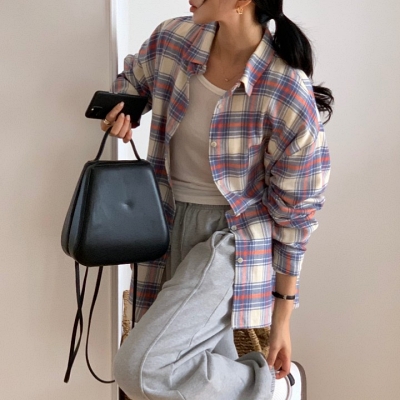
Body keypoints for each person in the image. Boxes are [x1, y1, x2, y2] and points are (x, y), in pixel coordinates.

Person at [101, 1, 333, 399]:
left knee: (141, 367)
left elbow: (296, 217)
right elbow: (134, 81)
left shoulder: (285, 88)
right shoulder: (174, 39)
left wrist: (282, 319)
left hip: (234, 242)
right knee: (192, 370)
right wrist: (123, 111)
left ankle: (275, 390)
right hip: (166, 222)